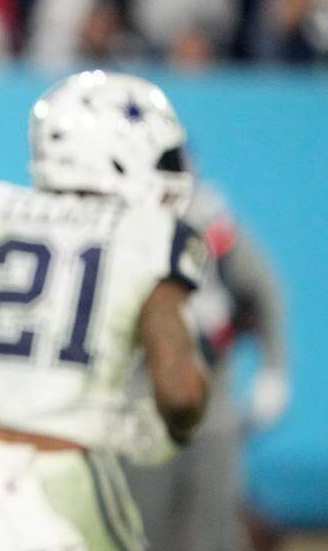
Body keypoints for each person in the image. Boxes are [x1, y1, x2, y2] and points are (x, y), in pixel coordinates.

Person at [0, 71, 211, 551]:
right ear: (117, 152)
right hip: (60, 473)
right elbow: (181, 394)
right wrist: (172, 425)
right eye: (164, 156)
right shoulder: (150, 235)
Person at [123, 178, 289, 551]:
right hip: (142, 409)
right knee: (140, 528)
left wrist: (273, 370)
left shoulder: (214, 226)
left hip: (211, 408)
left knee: (213, 529)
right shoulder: (124, 226)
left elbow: (264, 294)